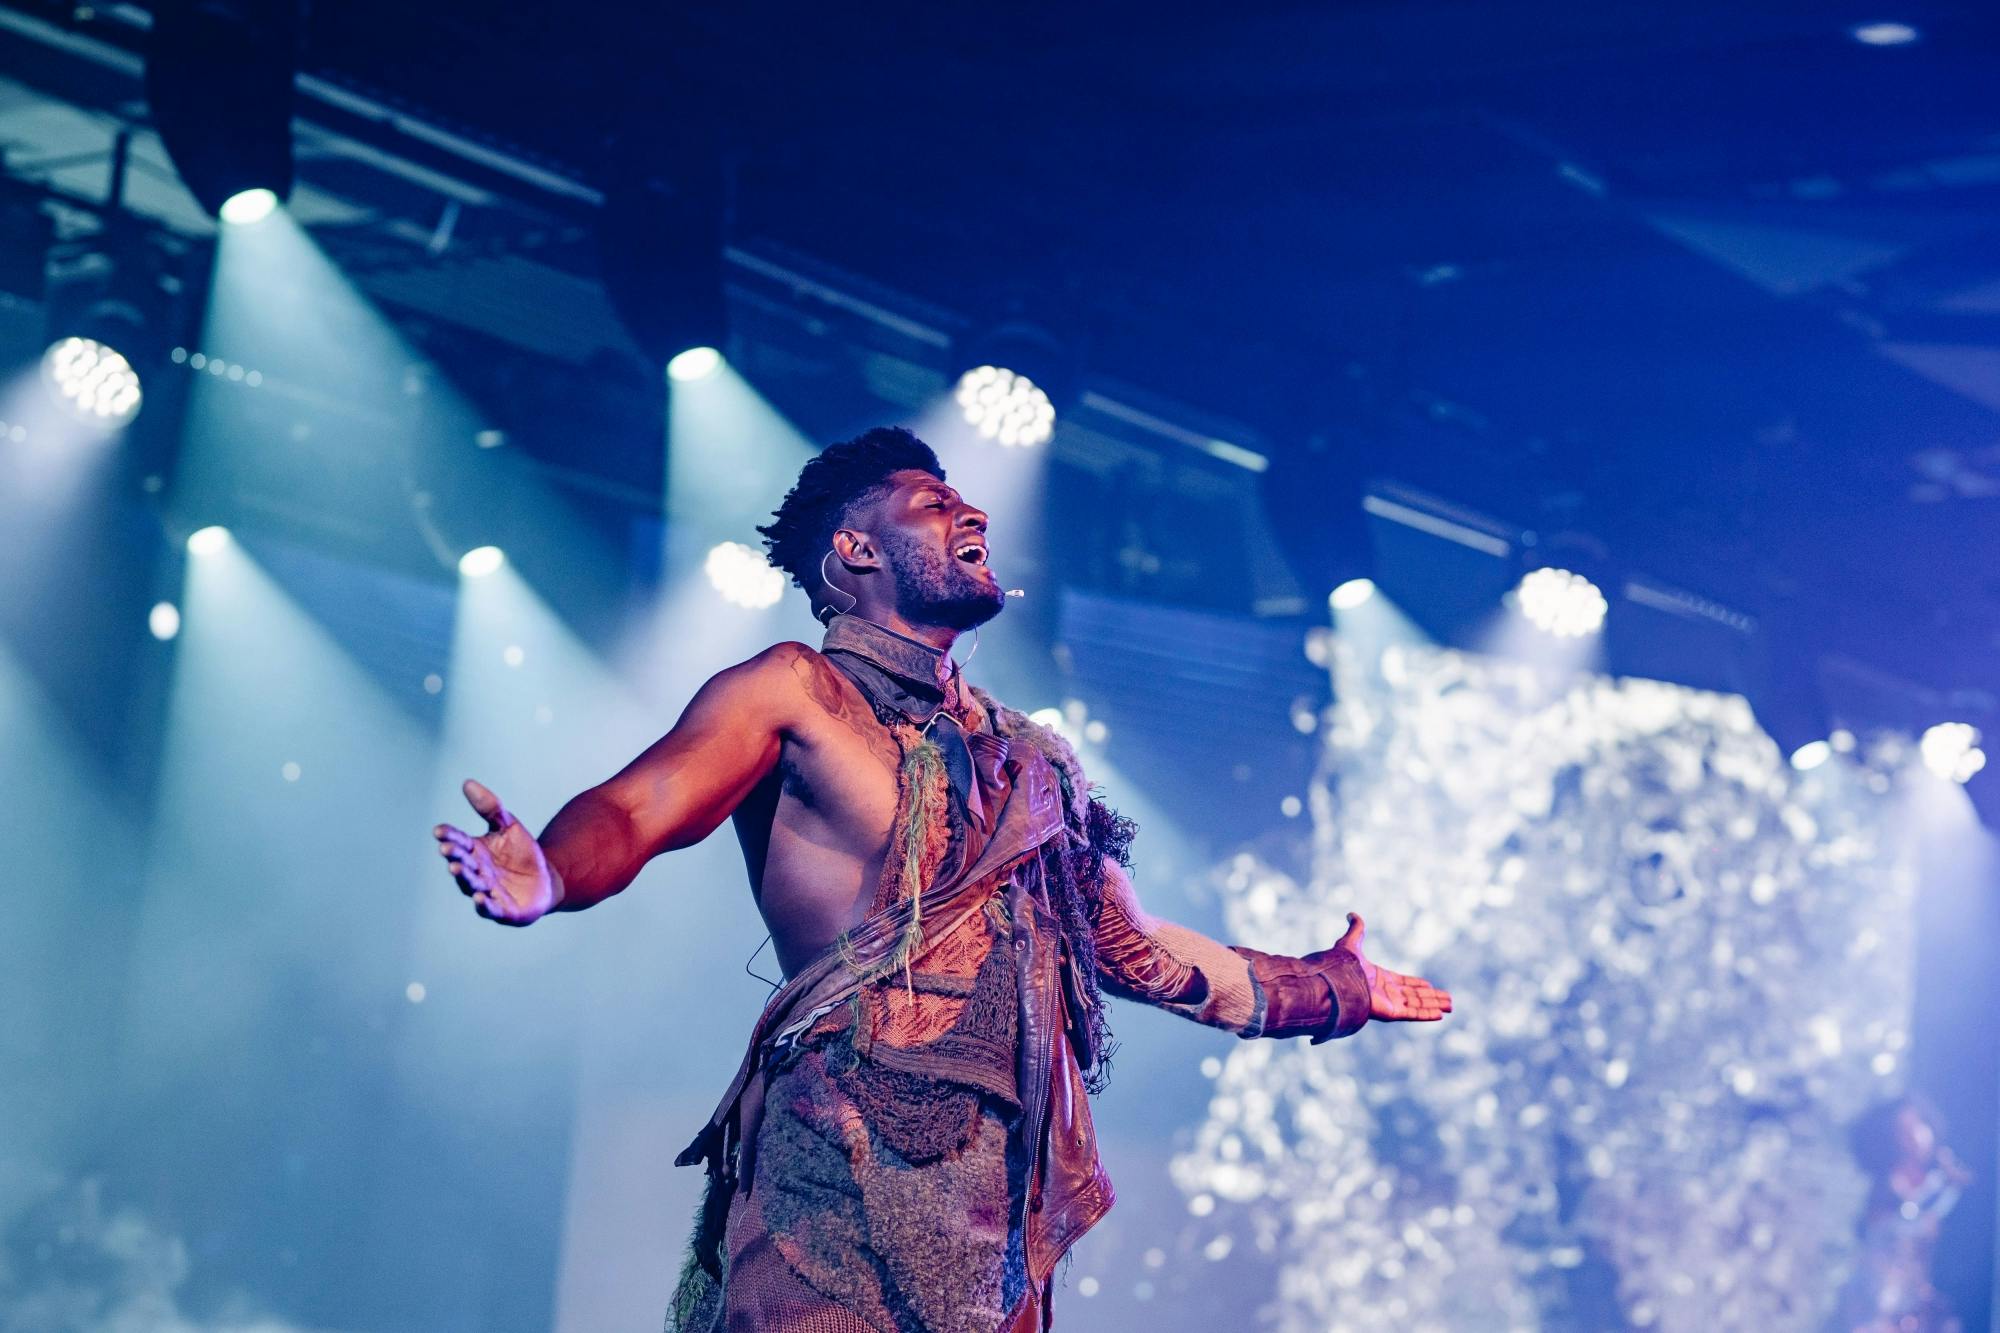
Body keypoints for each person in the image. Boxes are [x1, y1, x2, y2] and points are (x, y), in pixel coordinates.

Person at [432, 427, 1453, 1332]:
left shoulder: (1031, 760)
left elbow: (1132, 948)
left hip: (992, 1214)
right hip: (834, 1169)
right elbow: (637, 806)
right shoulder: (799, 691)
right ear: (855, 549)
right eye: (932, 502)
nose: (970, 511)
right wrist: (553, 873)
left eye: (966, 500)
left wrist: (1326, 987)